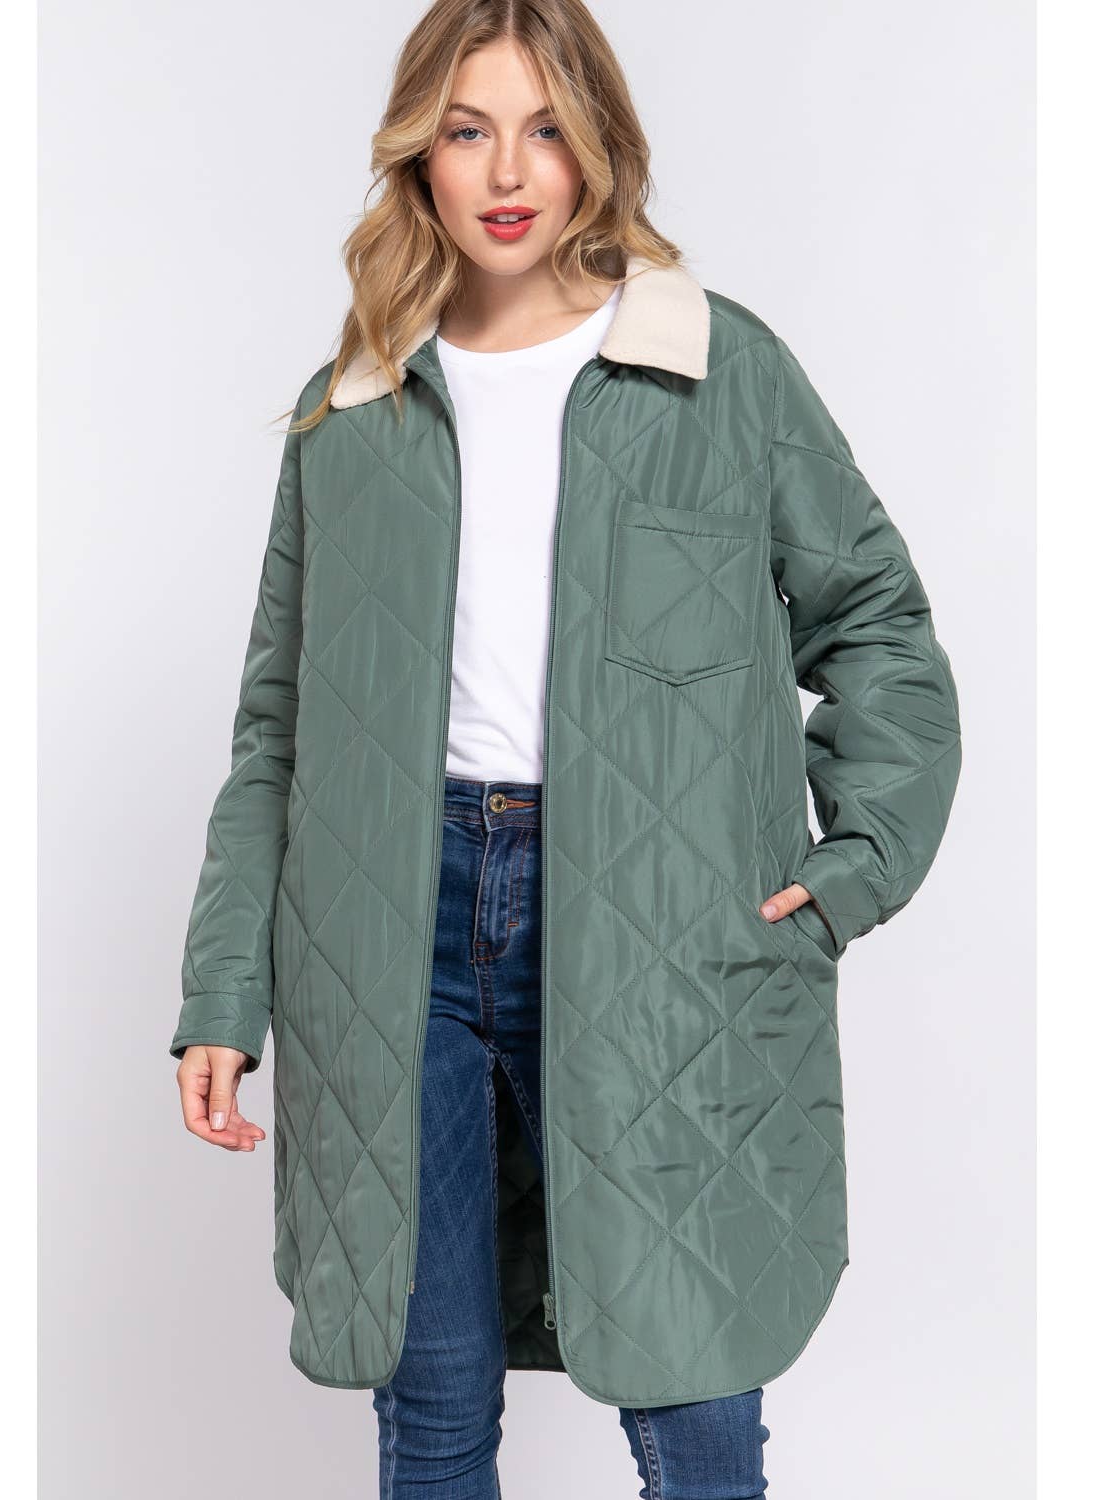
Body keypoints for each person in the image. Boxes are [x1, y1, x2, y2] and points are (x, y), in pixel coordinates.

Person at [169, 1, 962, 1495]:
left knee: (694, 1411)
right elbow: (275, 728)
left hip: (658, 929)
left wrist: (855, 866)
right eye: (467, 130)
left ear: (598, 144)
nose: (507, 170)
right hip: (390, 939)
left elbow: (878, 628)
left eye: (544, 128)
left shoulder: (715, 370)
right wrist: (223, 990)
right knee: (434, 1410)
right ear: (420, 154)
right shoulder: (355, 403)